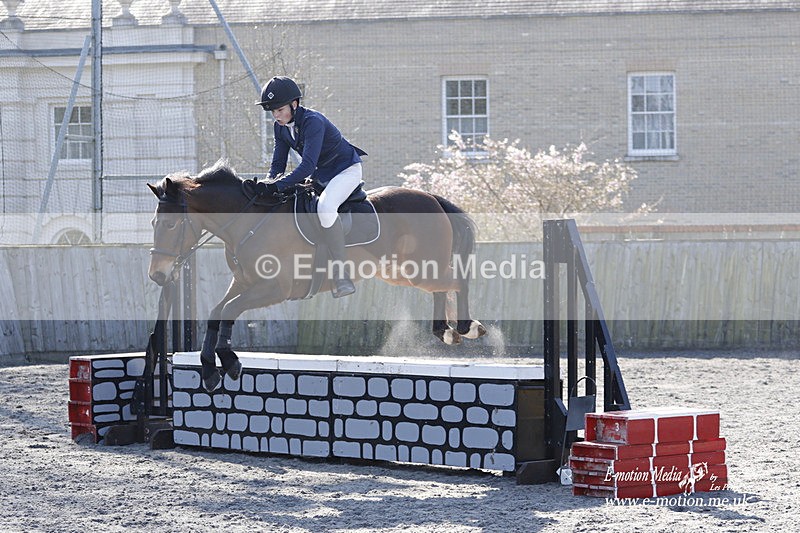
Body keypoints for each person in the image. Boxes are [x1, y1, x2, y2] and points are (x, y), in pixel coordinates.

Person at [257, 76, 365, 298]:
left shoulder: (312, 121)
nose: (276, 116)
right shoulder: (282, 128)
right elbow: (278, 164)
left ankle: (341, 274)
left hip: (345, 171)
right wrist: (269, 184)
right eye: (273, 112)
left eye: (279, 110)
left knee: (325, 209)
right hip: (321, 176)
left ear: (294, 104)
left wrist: (279, 184)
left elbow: (307, 166)